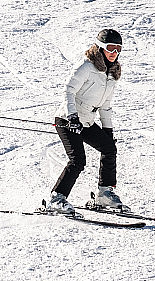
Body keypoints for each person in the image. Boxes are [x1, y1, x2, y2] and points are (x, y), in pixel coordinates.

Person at [48, 28, 129, 214]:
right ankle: (57, 198)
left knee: (109, 148)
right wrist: (72, 116)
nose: (114, 52)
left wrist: (108, 131)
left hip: (86, 122)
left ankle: (104, 194)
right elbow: (69, 90)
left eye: (118, 49)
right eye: (110, 48)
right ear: (100, 48)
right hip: (67, 119)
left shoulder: (112, 73)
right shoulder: (86, 66)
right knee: (78, 160)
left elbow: (105, 105)